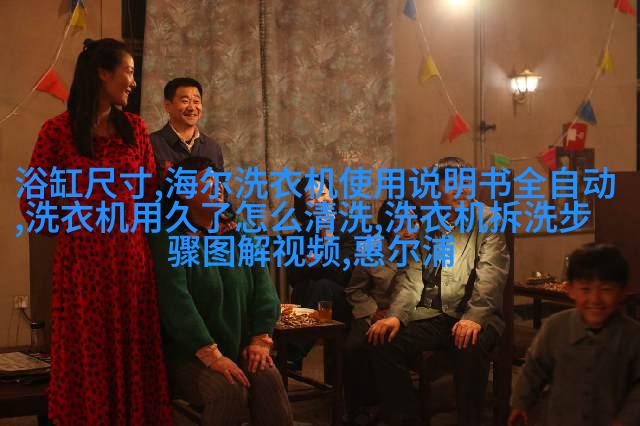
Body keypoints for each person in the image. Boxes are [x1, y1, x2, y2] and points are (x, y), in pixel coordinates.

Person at [19, 38, 172, 424]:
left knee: (133, 353)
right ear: (103, 73)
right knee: (88, 356)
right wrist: (77, 225)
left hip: (131, 265)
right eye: (129, 72)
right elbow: (32, 201)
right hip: (82, 268)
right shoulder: (57, 131)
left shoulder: (135, 129)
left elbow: (149, 195)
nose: (133, 81)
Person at [149, 156, 293, 426]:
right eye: (207, 181)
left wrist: (260, 340)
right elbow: (176, 303)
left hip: (240, 347)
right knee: (228, 388)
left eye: (219, 181)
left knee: (268, 378)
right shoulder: (170, 236)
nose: (218, 187)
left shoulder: (239, 230)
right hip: (190, 355)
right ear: (184, 191)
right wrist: (212, 356)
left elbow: (265, 289)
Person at [367, 157, 510, 426]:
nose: (461, 189)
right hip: (436, 315)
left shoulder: (488, 220)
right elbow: (412, 277)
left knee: (469, 343)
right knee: (383, 340)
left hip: (479, 315)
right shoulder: (430, 224)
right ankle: (406, 420)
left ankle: (470, 421)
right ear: (436, 189)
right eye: (452, 183)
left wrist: (473, 318)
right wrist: (396, 315)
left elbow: (491, 275)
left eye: (466, 182)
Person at [509, 243, 640, 426]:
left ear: (623, 292)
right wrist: (520, 402)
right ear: (569, 289)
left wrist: (627, 419)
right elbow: (534, 368)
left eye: (606, 289)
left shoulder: (633, 336)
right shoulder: (555, 327)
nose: (595, 299)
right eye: (585, 289)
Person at [344, 199, 423, 425]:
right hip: (376, 311)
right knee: (354, 347)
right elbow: (355, 290)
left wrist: (396, 315)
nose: (408, 231)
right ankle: (363, 408)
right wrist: (373, 311)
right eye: (400, 225)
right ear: (388, 228)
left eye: (414, 223)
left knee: (386, 343)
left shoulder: (426, 249)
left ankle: (399, 408)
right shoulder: (371, 248)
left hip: (412, 314)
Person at [150, 77, 224, 178]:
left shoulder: (213, 148)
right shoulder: (151, 144)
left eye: (196, 101)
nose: (192, 108)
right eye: (185, 101)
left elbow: (221, 185)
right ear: (167, 106)